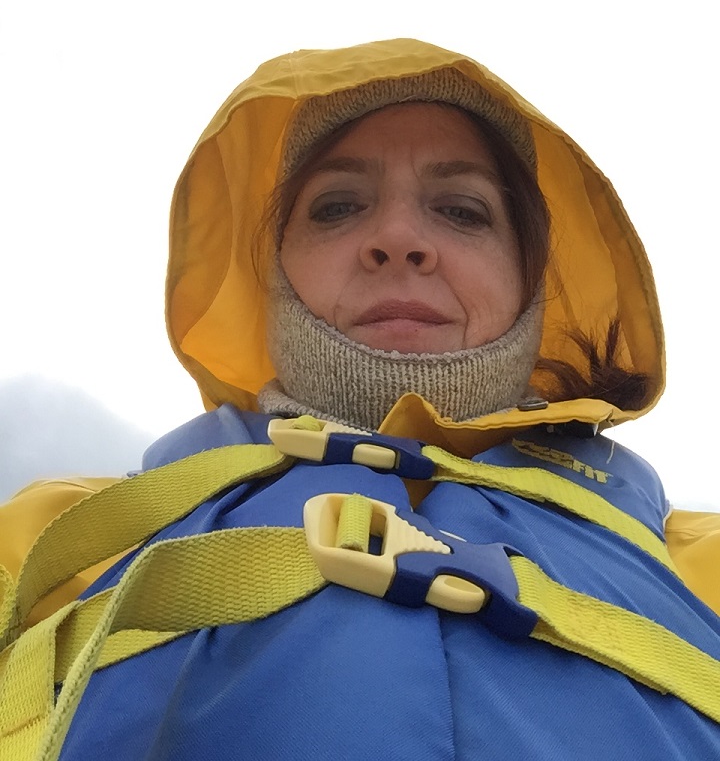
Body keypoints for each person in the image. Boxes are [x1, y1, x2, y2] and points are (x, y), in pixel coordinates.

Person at [1, 38, 719, 760]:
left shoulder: (700, 566)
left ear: (532, 277)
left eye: (462, 210)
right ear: (273, 269)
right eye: (338, 206)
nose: (399, 238)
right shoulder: (45, 545)